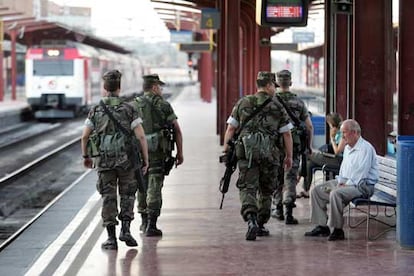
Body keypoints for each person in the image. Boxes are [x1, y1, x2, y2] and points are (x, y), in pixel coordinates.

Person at [80, 69, 149, 250]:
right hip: (127, 161)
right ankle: (125, 230)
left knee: (108, 197)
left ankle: (111, 239)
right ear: (119, 87)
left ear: (104, 87)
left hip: (104, 161)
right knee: (128, 194)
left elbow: (84, 136)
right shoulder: (129, 109)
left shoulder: (96, 110)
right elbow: (141, 137)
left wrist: (86, 156)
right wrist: (145, 160)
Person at [223, 71, 293, 241]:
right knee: (266, 189)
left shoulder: (243, 102)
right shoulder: (277, 106)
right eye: (273, 86)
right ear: (268, 85)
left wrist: (227, 149)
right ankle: (261, 224)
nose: (275, 90)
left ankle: (251, 219)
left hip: (247, 154)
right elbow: (287, 135)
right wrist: (289, 156)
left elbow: (231, 129)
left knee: (248, 187)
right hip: (270, 155)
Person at [304, 119, 378, 241]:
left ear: (354, 133)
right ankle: (322, 226)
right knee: (316, 191)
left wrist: (344, 185)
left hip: (362, 186)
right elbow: (343, 169)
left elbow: (361, 175)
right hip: (347, 182)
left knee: (335, 193)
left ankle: (338, 230)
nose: (342, 136)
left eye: (344, 132)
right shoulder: (348, 147)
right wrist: (340, 182)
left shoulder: (366, 149)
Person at [132, 74, 184, 237]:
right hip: (158, 152)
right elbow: (176, 129)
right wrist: (180, 152)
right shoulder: (164, 105)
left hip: (139, 152)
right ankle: (152, 225)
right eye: (159, 87)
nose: (161, 90)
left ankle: (144, 221)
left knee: (142, 184)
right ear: (154, 87)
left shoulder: (133, 105)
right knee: (155, 185)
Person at [271, 69, 313, 225]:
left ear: (276, 83)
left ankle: (277, 210)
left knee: (276, 176)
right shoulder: (298, 102)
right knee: (290, 177)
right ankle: (289, 212)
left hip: (275, 146)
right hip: (294, 146)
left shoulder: (272, 101)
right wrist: (308, 147)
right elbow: (309, 126)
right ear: (291, 83)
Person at [299, 112, 346, 198]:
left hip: (338, 161)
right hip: (332, 158)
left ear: (332, 123)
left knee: (308, 155)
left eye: (329, 124)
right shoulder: (337, 132)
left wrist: (332, 138)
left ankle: (297, 177)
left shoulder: (342, 133)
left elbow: (337, 151)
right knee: (310, 164)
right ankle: (306, 190)